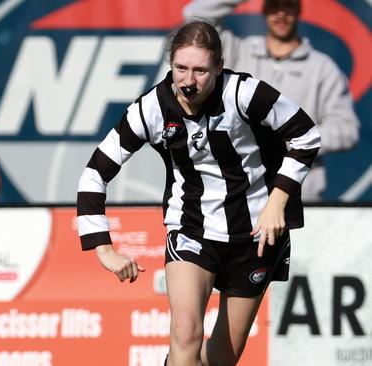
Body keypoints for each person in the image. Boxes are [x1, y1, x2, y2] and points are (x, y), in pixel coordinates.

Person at [76, 20, 320, 366]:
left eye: (201, 70)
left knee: (220, 359)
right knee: (186, 332)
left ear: (219, 67)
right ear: (170, 65)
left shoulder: (244, 93)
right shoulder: (150, 109)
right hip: (192, 229)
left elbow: (306, 136)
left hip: (256, 233)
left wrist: (277, 200)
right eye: (181, 69)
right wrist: (103, 249)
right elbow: (94, 173)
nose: (189, 81)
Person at [184, 0, 360, 202]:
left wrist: (296, 139)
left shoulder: (322, 68)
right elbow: (194, 15)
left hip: (298, 196)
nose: (281, 14)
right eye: (275, 6)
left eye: (288, 6)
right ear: (264, 9)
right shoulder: (239, 51)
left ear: (299, 10)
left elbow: (347, 130)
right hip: (239, 194)